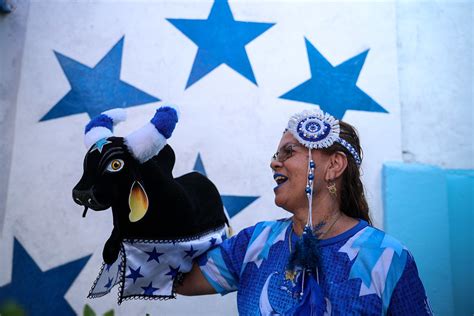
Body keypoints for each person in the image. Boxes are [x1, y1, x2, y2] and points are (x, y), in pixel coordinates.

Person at [176, 109, 432, 315]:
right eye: (277, 154)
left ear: (334, 165)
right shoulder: (254, 242)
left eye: (289, 152)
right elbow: (178, 280)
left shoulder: (387, 257)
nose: (274, 162)